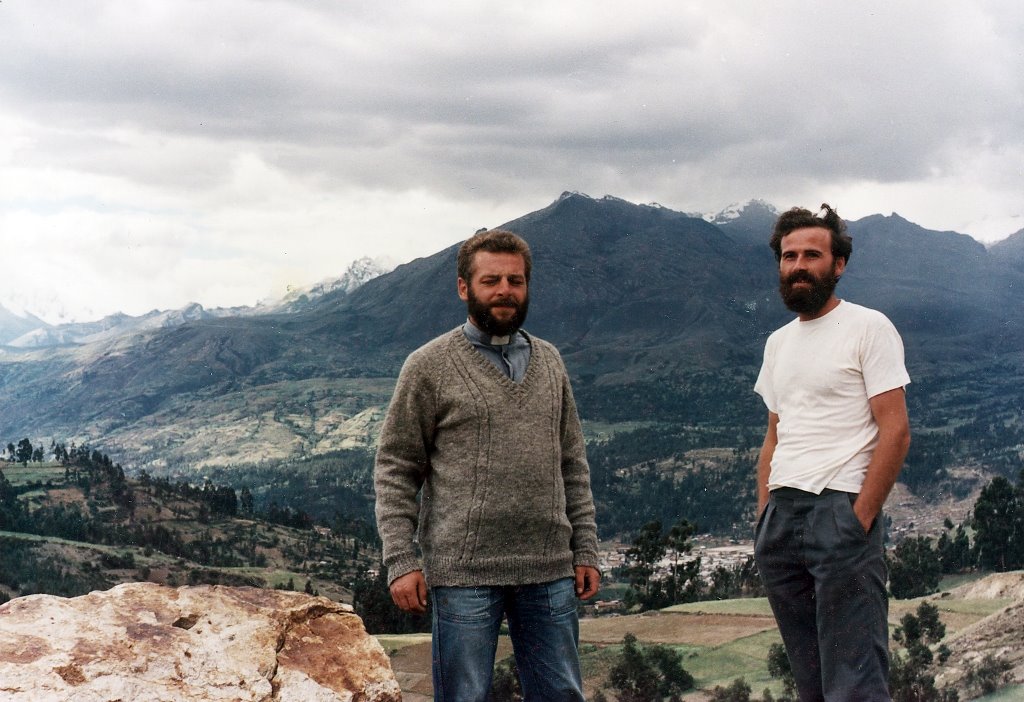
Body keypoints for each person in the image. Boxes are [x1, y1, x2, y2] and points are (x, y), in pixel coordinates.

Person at [374, 228, 601, 701]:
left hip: (548, 569)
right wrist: (400, 560)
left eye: (515, 281)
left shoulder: (551, 362)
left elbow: (572, 464)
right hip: (463, 575)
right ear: (464, 288)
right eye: (491, 280)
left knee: (561, 695)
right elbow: (396, 467)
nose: (504, 291)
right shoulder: (428, 365)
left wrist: (585, 550)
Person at [753, 204, 911, 702]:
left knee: (855, 685)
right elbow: (774, 435)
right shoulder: (778, 343)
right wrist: (764, 516)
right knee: (812, 683)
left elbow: (896, 430)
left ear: (838, 264)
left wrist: (858, 518)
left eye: (812, 255)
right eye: (789, 256)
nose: (798, 265)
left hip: (838, 512)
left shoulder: (868, 327)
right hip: (781, 521)